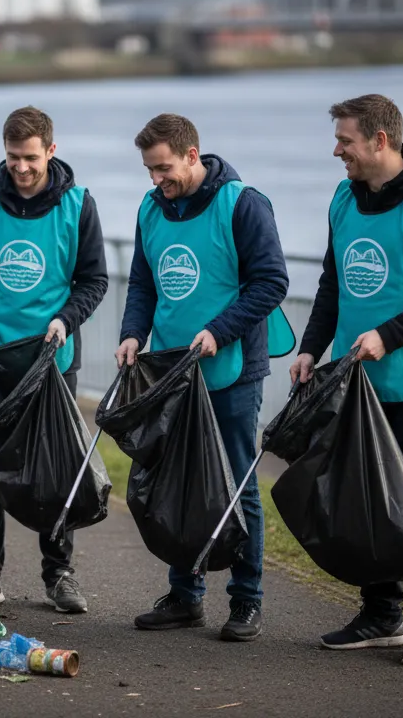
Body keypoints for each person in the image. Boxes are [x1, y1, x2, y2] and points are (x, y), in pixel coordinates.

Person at [292, 94, 403, 666]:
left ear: (380, 140)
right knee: (366, 496)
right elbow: (333, 281)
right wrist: (309, 347)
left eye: (345, 140)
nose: (337, 150)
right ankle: (381, 615)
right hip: (355, 374)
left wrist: (388, 336)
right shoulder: (344, 199)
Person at [115, 114, 291, 642]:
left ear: (193, 155)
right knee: (180, 484)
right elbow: (143, 282)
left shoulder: (242, 204)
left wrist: (219, 330)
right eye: (149, 170)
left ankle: (246, 600)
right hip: (170, 372)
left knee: (238, 487)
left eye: (163, 168)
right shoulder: (151, 208)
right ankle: (186, 596)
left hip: (231, 371)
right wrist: (132, 333)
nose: (155, 180)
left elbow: (271, 283)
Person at [0, 105, 108, 615]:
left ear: (51, 151)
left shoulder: (79, 204)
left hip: (53, 361)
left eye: (31, 157)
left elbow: (94, 280)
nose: (21, 167)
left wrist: (66, 318)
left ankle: (58, 573)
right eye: (13, 157)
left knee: (58, 470)